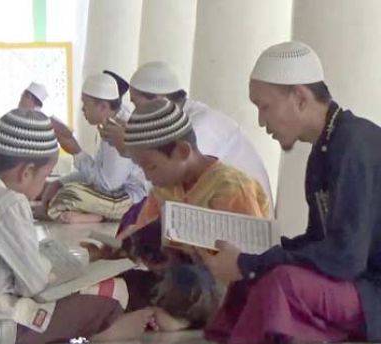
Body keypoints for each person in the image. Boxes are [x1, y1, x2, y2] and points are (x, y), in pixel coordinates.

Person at [196, 41, 381, 344]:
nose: (260, 121)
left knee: (280, 281)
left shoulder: (353, 146)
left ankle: (296, 328)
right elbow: (321, 243)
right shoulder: (325, 150)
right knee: (258, 276)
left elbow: (345, 259)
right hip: (367, 285)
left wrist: (250, 263)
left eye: (264, 107)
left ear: (300, 97)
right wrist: (252, 255)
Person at [0, 108, 159, 344]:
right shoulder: (10, 203)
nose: (44, 186)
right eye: (44, 177)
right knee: (113, 293)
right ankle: (107, 331)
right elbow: (34, 284)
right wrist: (63, 270)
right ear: (26, 172)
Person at [114, 98, 271, 330]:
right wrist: (122, 248)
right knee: (125, 281)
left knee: (190, 280)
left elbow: (249, 259)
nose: (147, 176)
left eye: (151, 167)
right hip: (170, 274)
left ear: (182, 151)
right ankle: (168, 310)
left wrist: (190, 249)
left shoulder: (231, 186)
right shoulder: (164, 189)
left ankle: (178, 316)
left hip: (218, 283)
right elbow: (144, 233)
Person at [101, 61, 272, 205]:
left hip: (241, 219)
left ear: (159, 100)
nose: (135, 113)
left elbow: (166, 180)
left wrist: (128, 148)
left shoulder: (201, 124)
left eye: (136, 104)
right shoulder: (177, 120)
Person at [36, 71, 148, 224]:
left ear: (102, 107)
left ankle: (100, 216)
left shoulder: (117, 129)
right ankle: (97, 215)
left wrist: (77, 152)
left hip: (129, 200)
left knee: (68, 195)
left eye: (85, 104)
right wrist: (60, 182)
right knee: (57, 185)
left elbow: (108, 185)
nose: (83, 110)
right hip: (114, 193)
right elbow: (99, 171)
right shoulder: (109, 122)